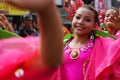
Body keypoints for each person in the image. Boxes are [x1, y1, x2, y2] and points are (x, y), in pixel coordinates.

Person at [0, 0, 63, 80]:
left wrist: (47, 10)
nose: (30, 22)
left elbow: (48, 60)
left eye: (31, 20)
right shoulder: (22, 31)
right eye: (28, 20)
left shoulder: (34, 32)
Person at [58, 0, 120, 80]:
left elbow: (117, 48)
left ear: (95, 25)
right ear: (72, 19)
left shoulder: (101, 45)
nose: (80, 22)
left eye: (87, 20)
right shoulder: (63, 44)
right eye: (78, 17)